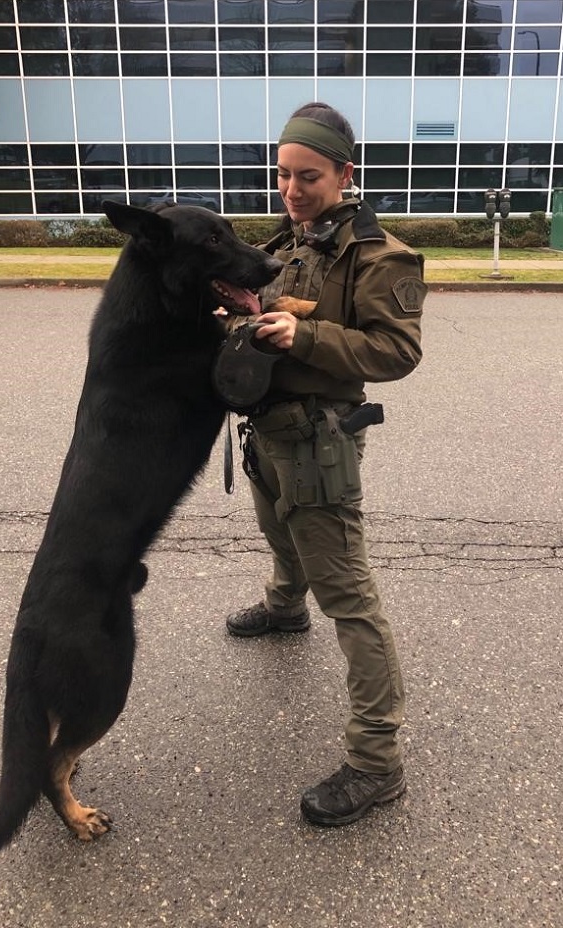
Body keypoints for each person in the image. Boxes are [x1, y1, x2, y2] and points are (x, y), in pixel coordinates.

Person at [224, 102, 426, 826]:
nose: (292, 189)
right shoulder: (291, 241)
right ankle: (284, 611)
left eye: (308, 176)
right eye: (282, 175)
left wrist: (302, 339)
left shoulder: (381, 256)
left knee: (350, 600)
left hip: (318, 441)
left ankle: (378, 763)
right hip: (268, 434)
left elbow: (396, 351)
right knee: (282, 537)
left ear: (345, 172)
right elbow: (276, 304)